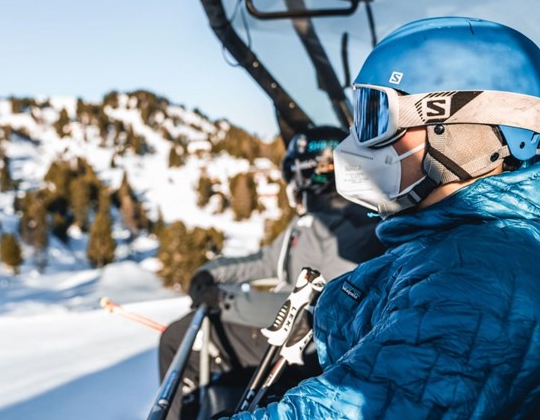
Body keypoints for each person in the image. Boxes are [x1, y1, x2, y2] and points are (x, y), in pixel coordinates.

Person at [226, 17, 540, 419]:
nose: (357, 144)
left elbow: (361, 405)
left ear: (458, 131)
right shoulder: (454, 244)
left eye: (375, 116)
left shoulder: (482, 275)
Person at [158, 126, 385, 419]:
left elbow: (321, 309)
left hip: (306, 347)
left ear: (309, 172)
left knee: (178, 338)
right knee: (188, 333)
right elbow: (265, 261)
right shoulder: (310, 222)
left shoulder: (352, 228)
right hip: (287, 335)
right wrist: (210, 274)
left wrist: (226, 302)